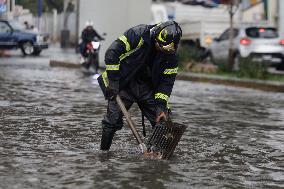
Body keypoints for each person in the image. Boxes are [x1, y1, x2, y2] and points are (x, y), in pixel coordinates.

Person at [97, 21, 182, 150]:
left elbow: (166, 84)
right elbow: (112, 53)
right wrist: (114, 82)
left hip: (148, 87)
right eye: (159, 46)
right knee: (111, 121)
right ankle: (103, 153)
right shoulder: (139, 34)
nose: (161, 50)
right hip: (124, 82)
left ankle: (157, 154)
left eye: (165, 49)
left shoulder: (171, 57)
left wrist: (160, 107)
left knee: (163, 121)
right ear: (155, 37)